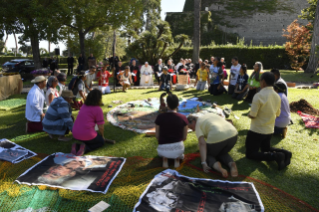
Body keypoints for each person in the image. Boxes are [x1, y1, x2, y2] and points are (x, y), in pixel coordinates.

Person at [245, 72, 292, 170]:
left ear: (263, 82)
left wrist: (249, 114)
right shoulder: (277, 96)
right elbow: (277, 114)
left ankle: (276, 156)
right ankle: (285, 153)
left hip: (257, 130)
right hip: (269, 130)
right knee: (266, 149)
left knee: (250, 154)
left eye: (260, 81)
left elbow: (253, 115)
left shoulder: (258, 95)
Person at [72, 90, 110, 156]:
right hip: (87, 134)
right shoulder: (98, 109)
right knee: (100, 142)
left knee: (91, 138)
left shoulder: (84, 106)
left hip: (75, 133)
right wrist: (102, 136)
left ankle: (77, 146)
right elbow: (101, 127)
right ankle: (86, 148)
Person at [155, 94, 188, 168]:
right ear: (178, 105)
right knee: (178, 150)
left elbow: (157, 136)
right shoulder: (183, 117)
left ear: (167, 104)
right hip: (178, 148)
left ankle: (165, 158)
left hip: (163, 148)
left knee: (164, 151)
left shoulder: (160, 117)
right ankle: (176, 158)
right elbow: (184, 137)